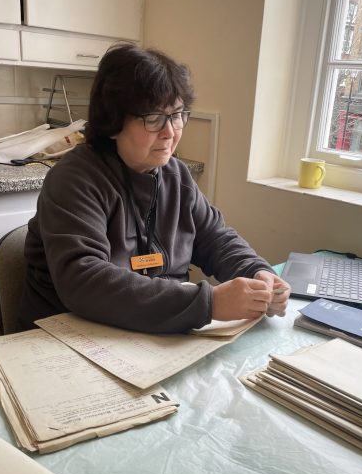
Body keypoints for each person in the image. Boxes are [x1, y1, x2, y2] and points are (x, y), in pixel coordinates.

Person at [18, 43, 290, 334]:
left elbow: (215, 239)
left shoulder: (176, 175)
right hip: (68, 337)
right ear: (113, 120)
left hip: (144, 333)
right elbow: (85, 281)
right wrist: (208, 303)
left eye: (176, 115)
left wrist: (257, 272)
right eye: (153, 118)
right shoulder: (74, 179)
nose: (170, 132)